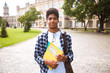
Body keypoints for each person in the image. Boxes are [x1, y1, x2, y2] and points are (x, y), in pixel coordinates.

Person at [34, 8, 73, 73]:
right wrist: (46, 62)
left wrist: (64, 58)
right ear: (46, 21)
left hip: (62, 71)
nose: (52, 21)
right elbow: (36, 55)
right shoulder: (41, 37)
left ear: (58, 20)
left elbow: (71, 55)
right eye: (50, 19)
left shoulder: (66, 36)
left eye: (54, 18)